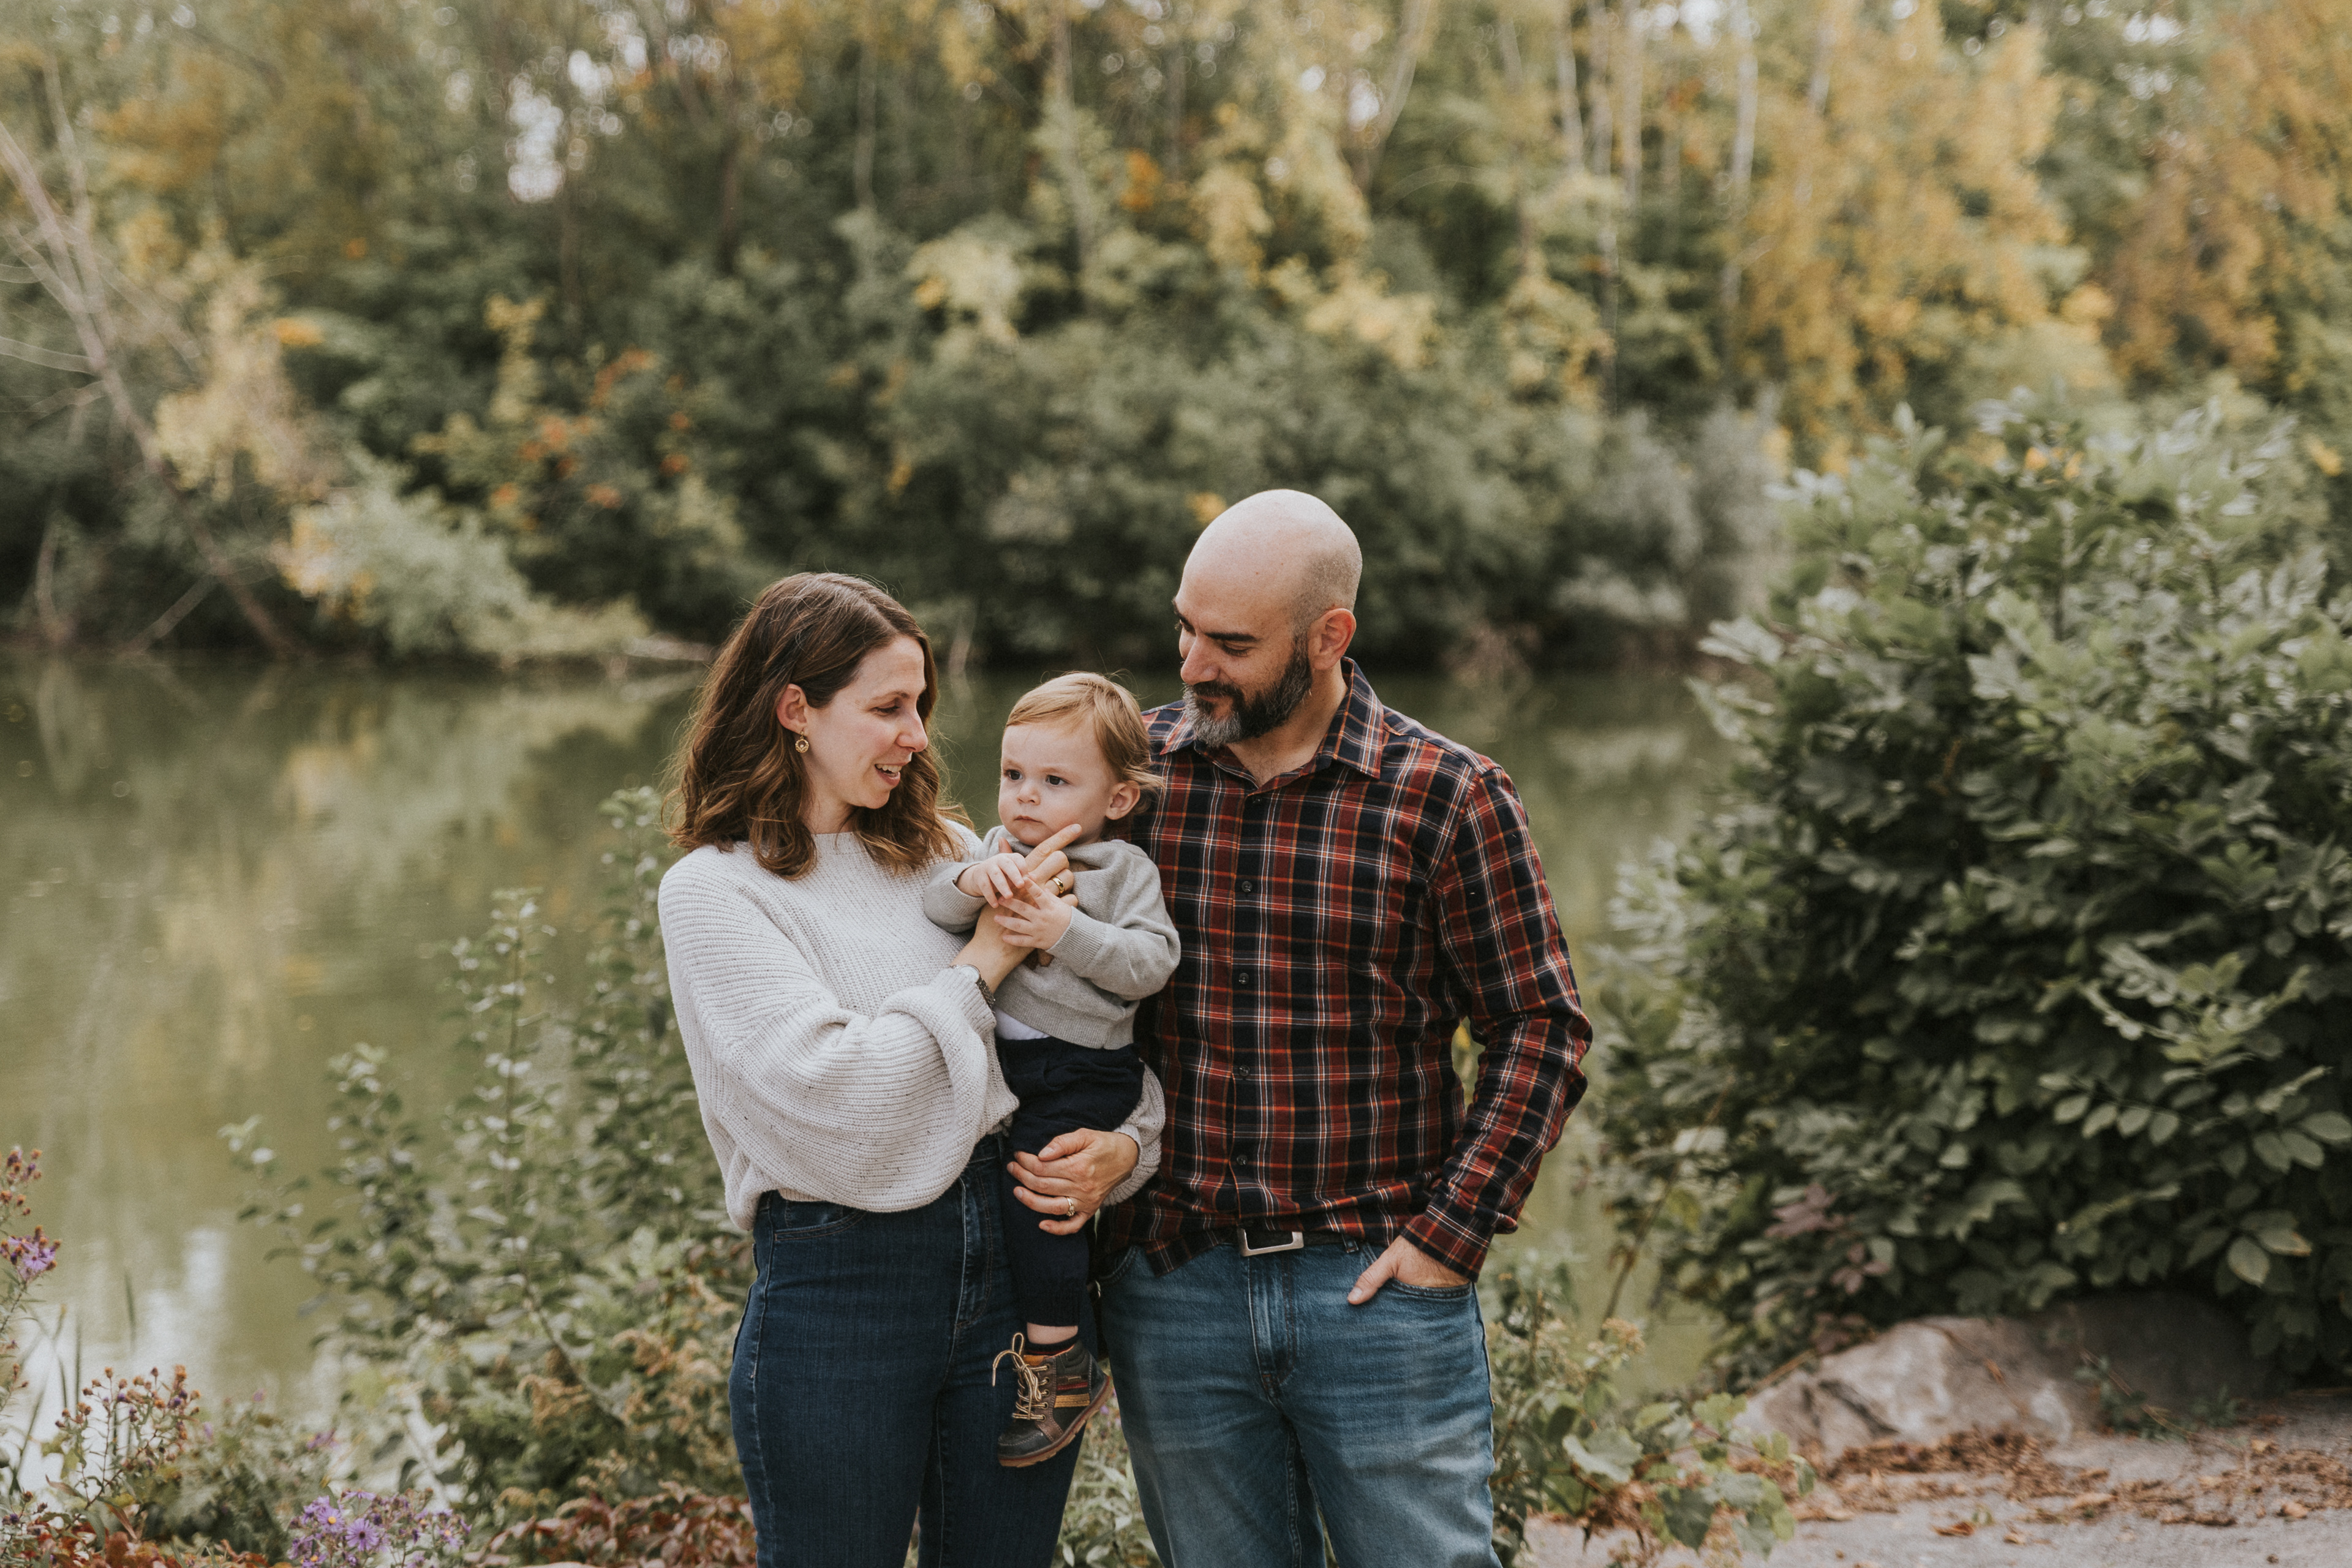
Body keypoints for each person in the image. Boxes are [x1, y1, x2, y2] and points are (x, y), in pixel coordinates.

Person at [1097, 492, 1592, 1567]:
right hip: (1175, 1287)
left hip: (1377, 1291)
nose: (1192, 665)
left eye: (1232, 645)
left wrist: (1448, 1239)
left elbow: (1539, 1029)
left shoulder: (1449, 797)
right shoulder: (1131, 777)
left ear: (1329, 638)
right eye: (1184, 629)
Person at [658, 573, 1166, 1568]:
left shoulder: (951, 854)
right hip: (843, 1284)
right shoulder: (716, 892)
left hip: (1019, 1266)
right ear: (796, 710)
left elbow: (1086, 1038)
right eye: (890, 707)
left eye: (921, 706)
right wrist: (983, 962)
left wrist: (1127, 1148)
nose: (918, 736)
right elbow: (844, 1094)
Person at [923, 673, 1180, 1467]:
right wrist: (971, 880)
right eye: (1013, 774)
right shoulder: (999, 850)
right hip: (1012, 1064)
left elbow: (1151, 964)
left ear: (1119, 799)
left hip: (1083, 1069)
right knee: (1000, 1192)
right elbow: (936, 906)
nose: (1026, 796)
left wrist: (1063, 927)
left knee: (1044, 1196)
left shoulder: (1122, 871)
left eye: (1056, 781)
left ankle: (1061, 1361)